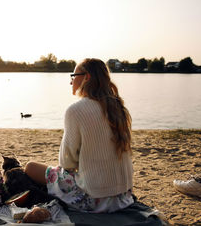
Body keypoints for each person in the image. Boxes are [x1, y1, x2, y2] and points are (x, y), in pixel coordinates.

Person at [25, 58, 134, 213]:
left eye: (73, 76)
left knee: (31, 167)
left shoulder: (76, 110)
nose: (71, 82)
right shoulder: (119, 108)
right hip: (123, 197)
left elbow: (66, 162)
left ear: (87, 77)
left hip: (95, 199)